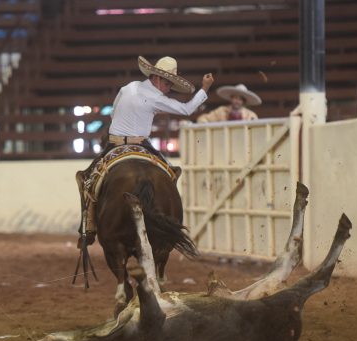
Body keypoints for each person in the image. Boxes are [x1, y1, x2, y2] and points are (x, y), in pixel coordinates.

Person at [77, 55, 214, 246]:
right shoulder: (156, 98)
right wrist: (205, 88)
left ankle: (88, 226)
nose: (168, 89)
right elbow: (186, 109)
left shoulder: (129, 87)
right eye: (167, 84)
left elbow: (113, 112)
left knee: (88, 179)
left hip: (114, 145)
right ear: (157, 78)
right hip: (141, 144)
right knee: (170, 174)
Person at [197, 83, 261, 122]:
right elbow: (203, 119)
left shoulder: (250, 115)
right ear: (231, 98)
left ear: (243, 102)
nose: (237, 101)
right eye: (235, 98)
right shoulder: (221, 111)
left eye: (240, 99)